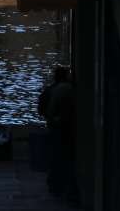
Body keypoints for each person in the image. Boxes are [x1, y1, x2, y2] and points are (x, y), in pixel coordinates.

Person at [39, 66, 77, 201]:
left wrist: (51, 119)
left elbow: (41, 110)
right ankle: (61, 185)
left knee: (55, 156)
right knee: (64, 157)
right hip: (66, 129)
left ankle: (54, 184)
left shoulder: (49, 91)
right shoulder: (68, 89)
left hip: (54, 128)